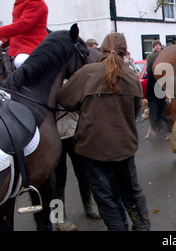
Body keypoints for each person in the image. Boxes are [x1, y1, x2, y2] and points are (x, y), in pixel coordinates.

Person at [57, 32, 151, 231]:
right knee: (132, 191)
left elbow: (65, 101)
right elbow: (136, 110)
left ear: (101, 49)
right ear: (125, 52)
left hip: (93, 150)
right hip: (124, 147)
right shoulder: (132, 76)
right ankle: (142, 226)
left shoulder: (87, 73)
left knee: (106, 197)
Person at [54, 105, 100, 231]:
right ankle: (58, 217)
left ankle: (88, 206)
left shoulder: (71, 83)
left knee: (83, 171)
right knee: (58, 178)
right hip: (54, 134)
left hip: (75, 130)